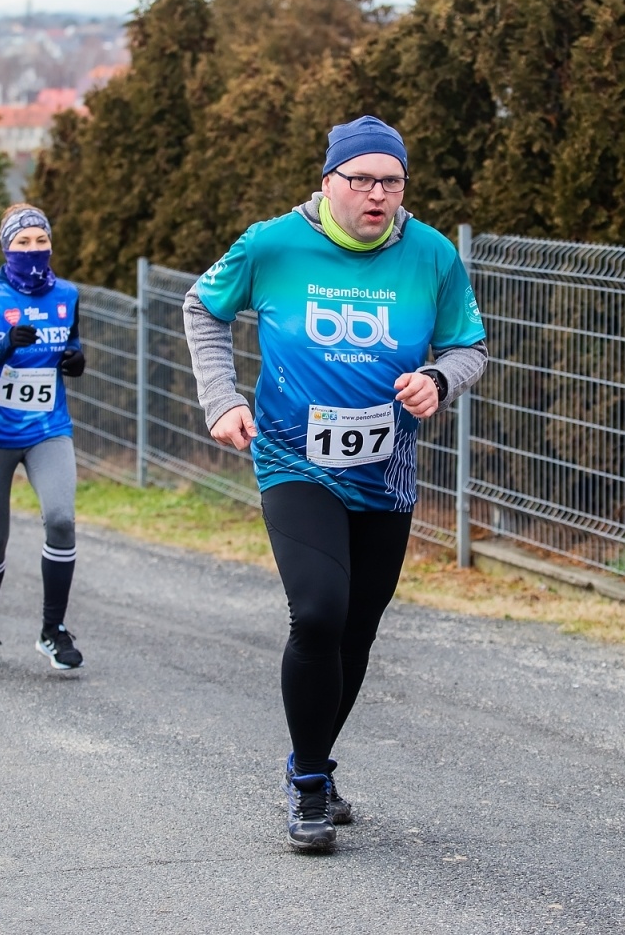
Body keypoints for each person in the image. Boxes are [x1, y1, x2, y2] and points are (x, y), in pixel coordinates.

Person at [183, 115, 488, 852]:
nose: (377, 194)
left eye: (391, 181)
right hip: (293, 456)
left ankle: (308, 761)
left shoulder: (432, 254)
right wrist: (222, 399)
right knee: (318, 612)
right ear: (328, 183)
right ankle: (311, 785)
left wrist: (440, 381)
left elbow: (469, 344)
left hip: (385, 469)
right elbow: (202, 307)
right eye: (361, 179)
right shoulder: (272, 244)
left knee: (357, 627)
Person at [0, 205, 87, 670]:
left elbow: (72, 346)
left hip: (49, 428)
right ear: (7, 248)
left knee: (62, 520)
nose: (33, 250)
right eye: (22, 243)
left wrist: (75, 360)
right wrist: (3, 347)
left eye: (40, 241)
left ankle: (53, 630)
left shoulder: (67, 294)